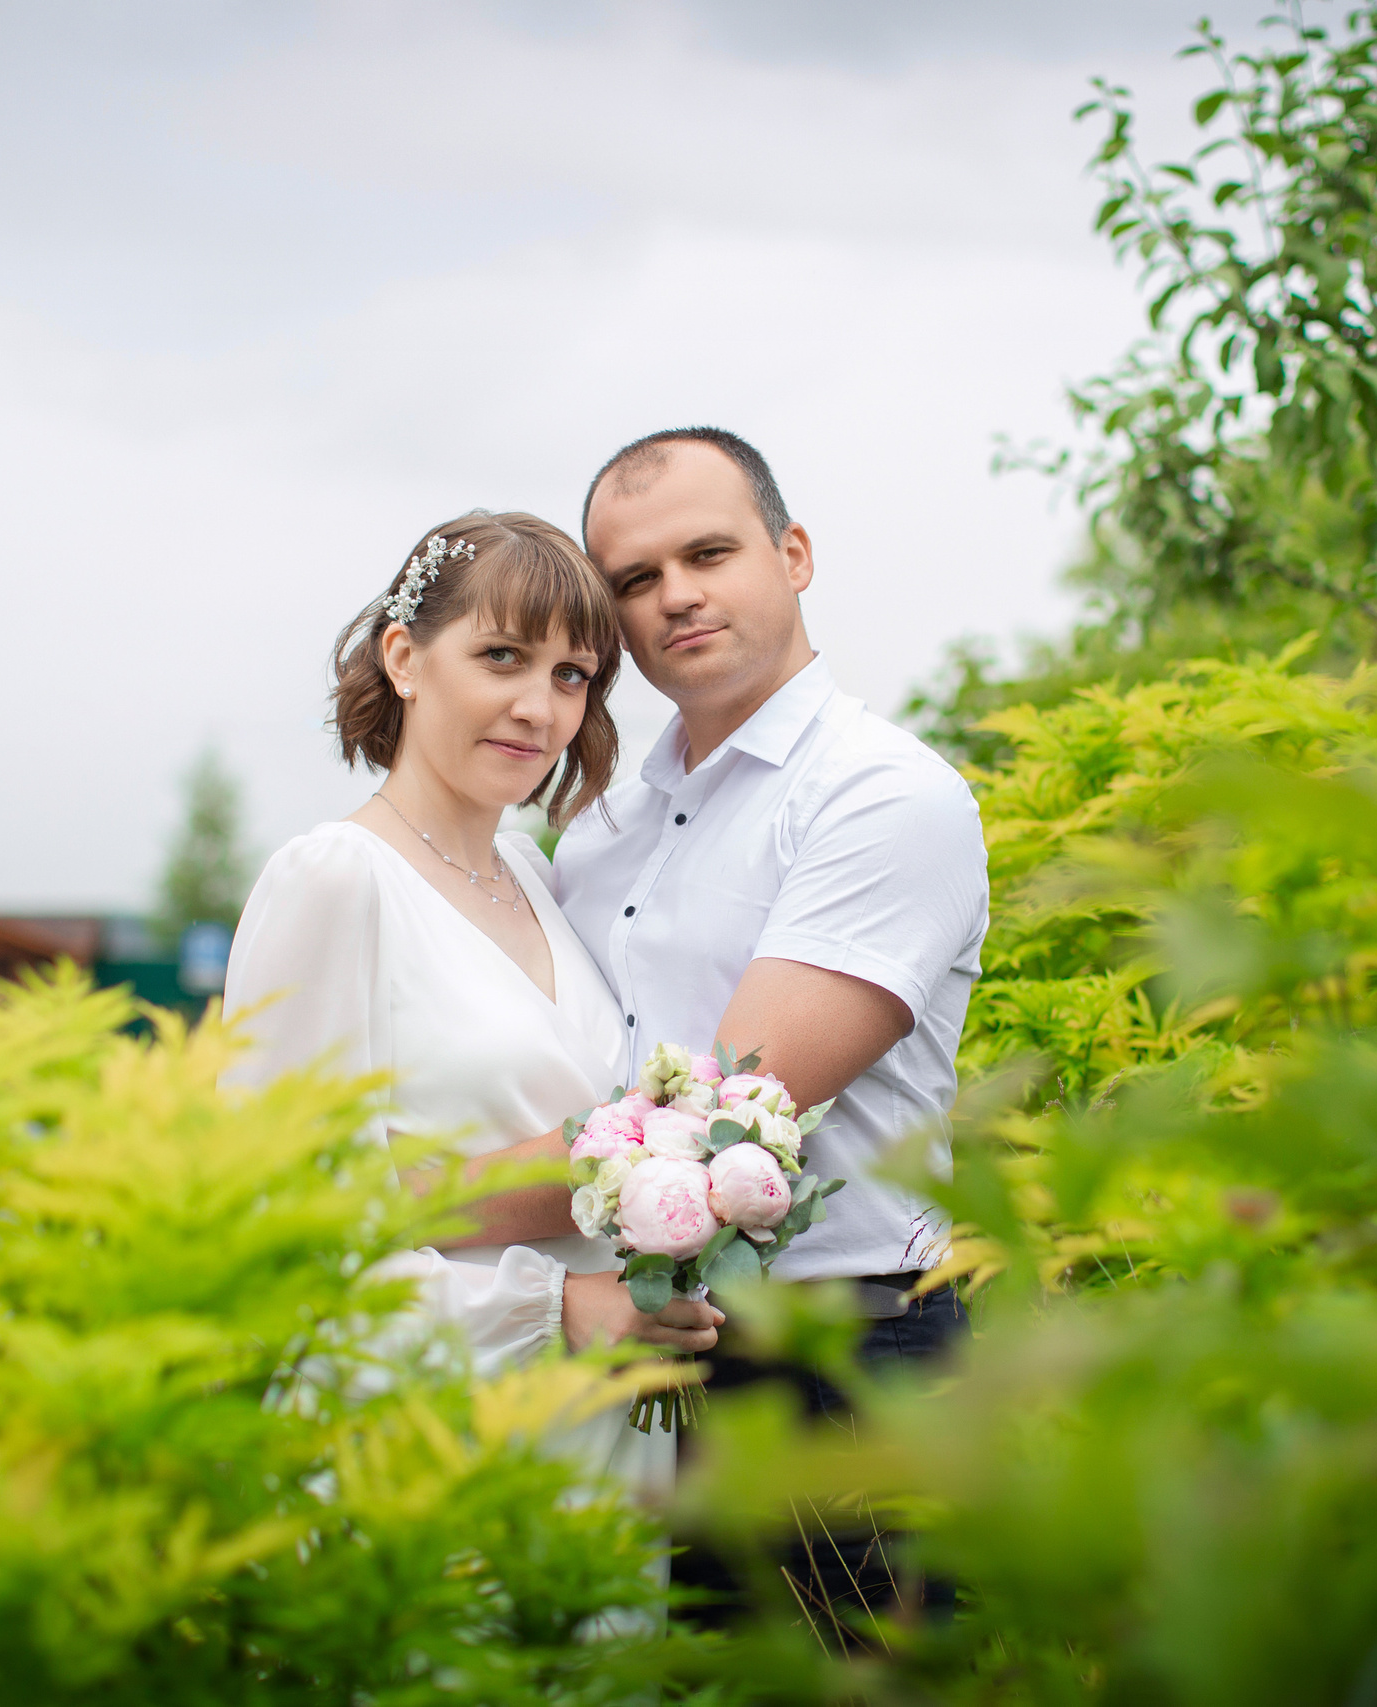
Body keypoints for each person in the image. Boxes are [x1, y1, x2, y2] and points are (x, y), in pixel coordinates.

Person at [555, 427, 991, 1622]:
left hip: (841, 1360)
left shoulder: (880, 794)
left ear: (792, 553)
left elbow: (728, 1120)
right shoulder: (595, 835)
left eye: (708, 552)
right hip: (641, 1356)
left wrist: (426, 1199)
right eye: (634, 581)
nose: (674, 597)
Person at [218, 510, 724, 1509]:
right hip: (432, 1455)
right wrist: (559, 1309)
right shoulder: (333, 880)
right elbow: (280, 1239)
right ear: (404, 657)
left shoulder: (537, 879)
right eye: (501, 657)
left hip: (600, 1449)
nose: (538, 708)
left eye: (572, 676)